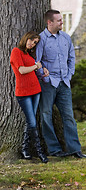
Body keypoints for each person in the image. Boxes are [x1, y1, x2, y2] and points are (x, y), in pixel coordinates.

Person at [36, 10, 86, 158]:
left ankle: (75, 150)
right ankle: (54, 150)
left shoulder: (66, 38)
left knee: (69, 117)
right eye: (59, 20)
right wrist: (44, 76)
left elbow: (72, 58)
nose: (62, 22)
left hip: (64, 84)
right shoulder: (41, 39)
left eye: (61, 19)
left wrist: (69, 75)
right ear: (50, 22)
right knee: (46, 116)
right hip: (48, 84)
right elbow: (36, 62)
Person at [10, 31, 48, 163]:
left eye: (35, 42)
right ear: (26, 38)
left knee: (30, 121)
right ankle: (39, 151)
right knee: (32, 122)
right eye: (32, 40)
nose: (32, 44)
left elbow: (33, 71)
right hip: (23, 93)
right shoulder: (16, 51)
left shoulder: (29, 54)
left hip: (35, 90)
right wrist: (35, 66)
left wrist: (42, 70)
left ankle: (25, 148)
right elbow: (21, 70)